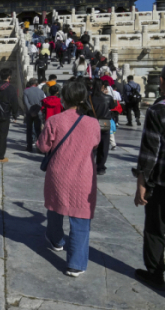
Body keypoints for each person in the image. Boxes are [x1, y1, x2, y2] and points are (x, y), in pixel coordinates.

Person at [37, 81, 101, 277]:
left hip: (59, 173)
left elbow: (43, 147)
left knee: (56, 207)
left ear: (63, 98)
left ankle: (56, 240)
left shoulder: (54, 121)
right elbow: (96, 143)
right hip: (83, 175)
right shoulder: (92, 122)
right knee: (80, 219)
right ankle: (76, 263)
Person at [133, 65, 165, 291]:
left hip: (162, 184)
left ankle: (155, 273)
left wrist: (141, 185)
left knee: (156, 228)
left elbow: (149, 153)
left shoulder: (157, 111)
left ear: (162, 82)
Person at [89, 79, 116, 175]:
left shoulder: (89, 98)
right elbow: (113, 105)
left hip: (92, 122)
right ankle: (100, 167)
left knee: (92, 145)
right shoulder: (107, 97)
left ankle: (89, 164)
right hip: (105, 122)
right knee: (104, 145)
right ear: (103, 87)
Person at [23, 78, 45, 152]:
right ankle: (39, 147)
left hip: (29, 113)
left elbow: (26, 103)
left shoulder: (26, 91)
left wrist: (31, 111)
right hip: (38, 113)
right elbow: (42, 103)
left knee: (29, 130)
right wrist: (36, 111)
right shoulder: (41, 92)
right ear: (36, 84)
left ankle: (29, 146)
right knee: (38, 130)